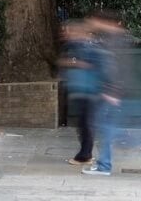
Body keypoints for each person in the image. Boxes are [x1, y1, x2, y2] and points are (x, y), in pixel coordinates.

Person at [81, 10, 127, 177]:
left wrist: (111, 90)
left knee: (107, 129)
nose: (92, 23)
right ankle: (103, 164)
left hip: (111, 94)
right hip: (110, 92)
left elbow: (115, 67)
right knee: (105, 128)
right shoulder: (110, 38)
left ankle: (104, 166)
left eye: (94, 20)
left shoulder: (113, 39)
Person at [58, 20, 101, 165]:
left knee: (86, 123)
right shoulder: (70, 46)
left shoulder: (88, 46)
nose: (66, 33)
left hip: (89, 90)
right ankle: (85, 153)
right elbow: (63, 63)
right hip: (79, 90)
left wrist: (75, 64)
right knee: (83, 123)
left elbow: (93, 66)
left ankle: (85, 155)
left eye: (69, 31)